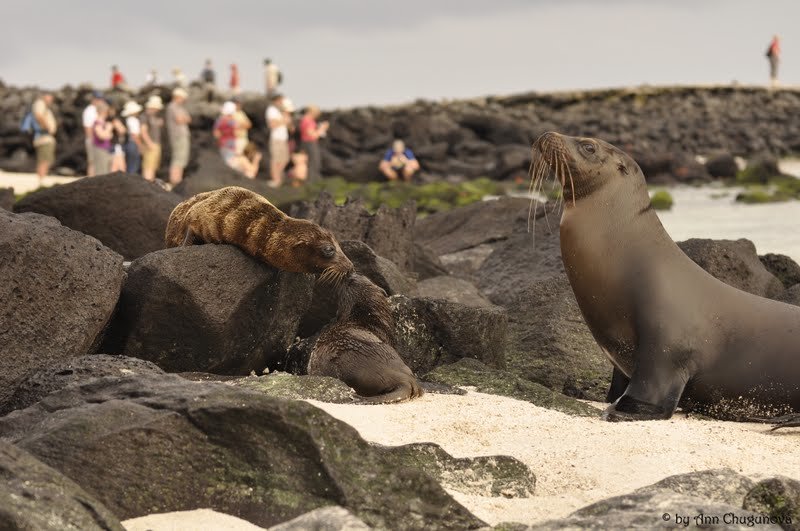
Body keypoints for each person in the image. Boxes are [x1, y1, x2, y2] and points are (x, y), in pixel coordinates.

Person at [166, 87, 192, 186]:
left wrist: (184, 118)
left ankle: (178, 181)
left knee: (181, 160)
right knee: (177, 159)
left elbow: (189, 119)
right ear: (177, 97)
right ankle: (174, 181)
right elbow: (179, 120)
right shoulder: (172, 106)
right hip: (177, 136)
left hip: (183, 136)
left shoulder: (180, 108)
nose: (183, 100)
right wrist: (184, 118)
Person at [265, 93, 291, 187]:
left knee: (285, 159)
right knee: (276, 160)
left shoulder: (280, 111)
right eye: (281, 100)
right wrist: (283, 120)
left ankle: (278, 177)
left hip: (283, 138)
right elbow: (272, 124)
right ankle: (275, 180)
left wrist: (286, 115)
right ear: (276, 100)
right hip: (276, 138)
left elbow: (288, 124)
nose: (282, 102)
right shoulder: (271, 110)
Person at [31, 92, 57, 182]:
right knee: (44, 160)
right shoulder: (40, 103)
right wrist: (47, 128)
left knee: (45, 160)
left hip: (45, 137)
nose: (51, 100)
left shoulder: (43, 105)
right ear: (44, 97)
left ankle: (41, 180)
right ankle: (41, 181)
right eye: (49, 98)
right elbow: (39, 116)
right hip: (44, 138)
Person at [299, 105, 329, 182]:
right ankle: (312, 182)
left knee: (313, 163)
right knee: (314, 163)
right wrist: (322, 128)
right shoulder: (308, 121)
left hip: (308, 143)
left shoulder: (305, 120)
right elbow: (313, 135)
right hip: (310, 143)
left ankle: (313, 181)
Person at [140, 95, 164, 182]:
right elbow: (143, 131)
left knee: (153, 167)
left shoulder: (154, 116)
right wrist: (149, 143)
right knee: (148, 167)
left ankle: (151, 184)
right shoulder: (145, 116)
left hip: (156, 144)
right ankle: (147, 184)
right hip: (150, 145)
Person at [82, 90, 104, 176]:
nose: (100, 101)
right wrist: (92, 141)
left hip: (98, 141)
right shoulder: (89, 111)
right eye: (98, 99)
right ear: (93, 99)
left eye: (101, 99)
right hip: (92, 140)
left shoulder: (98, 110)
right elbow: (88, 128)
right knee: (92, 162)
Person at [91, 101, 113, 175]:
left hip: (105, 149)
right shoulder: (98, 122)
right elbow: (101, 136)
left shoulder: (102, 122)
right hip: (100, 149)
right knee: (101, 172)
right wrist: (108, 129)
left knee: (105, 171)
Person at [121, 100, 143, 174]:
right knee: (134, 165)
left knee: (130, 163)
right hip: (133, 144)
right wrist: (140, 146)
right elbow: (135, 135)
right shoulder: (134, 120)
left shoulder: (128, 120)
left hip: (129, 143)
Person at [108, 105, 127, 172]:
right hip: (115, 145)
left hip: (114, 145)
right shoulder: (113, 119)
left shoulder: (109, 119)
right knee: (119, 167)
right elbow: (122, 130)